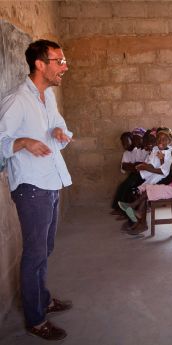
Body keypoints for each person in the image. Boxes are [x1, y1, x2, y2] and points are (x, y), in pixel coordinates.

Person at [0, 40, 73, 340]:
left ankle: (42, 299)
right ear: (40, 64)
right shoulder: (17, 100)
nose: (64, 67)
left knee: (46, 250)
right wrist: (23, 142)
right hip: (31, 187)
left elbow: (59, 125)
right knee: (34, 254)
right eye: (58, 61)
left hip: (51, 180)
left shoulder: (48, 96)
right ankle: (35, 318)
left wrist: (58, 131)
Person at [118, 142, 172, 235]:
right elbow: (169, 175)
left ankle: (134, 208)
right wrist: (163, 160)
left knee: (149, 188)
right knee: (145, 188)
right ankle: (140, 219)